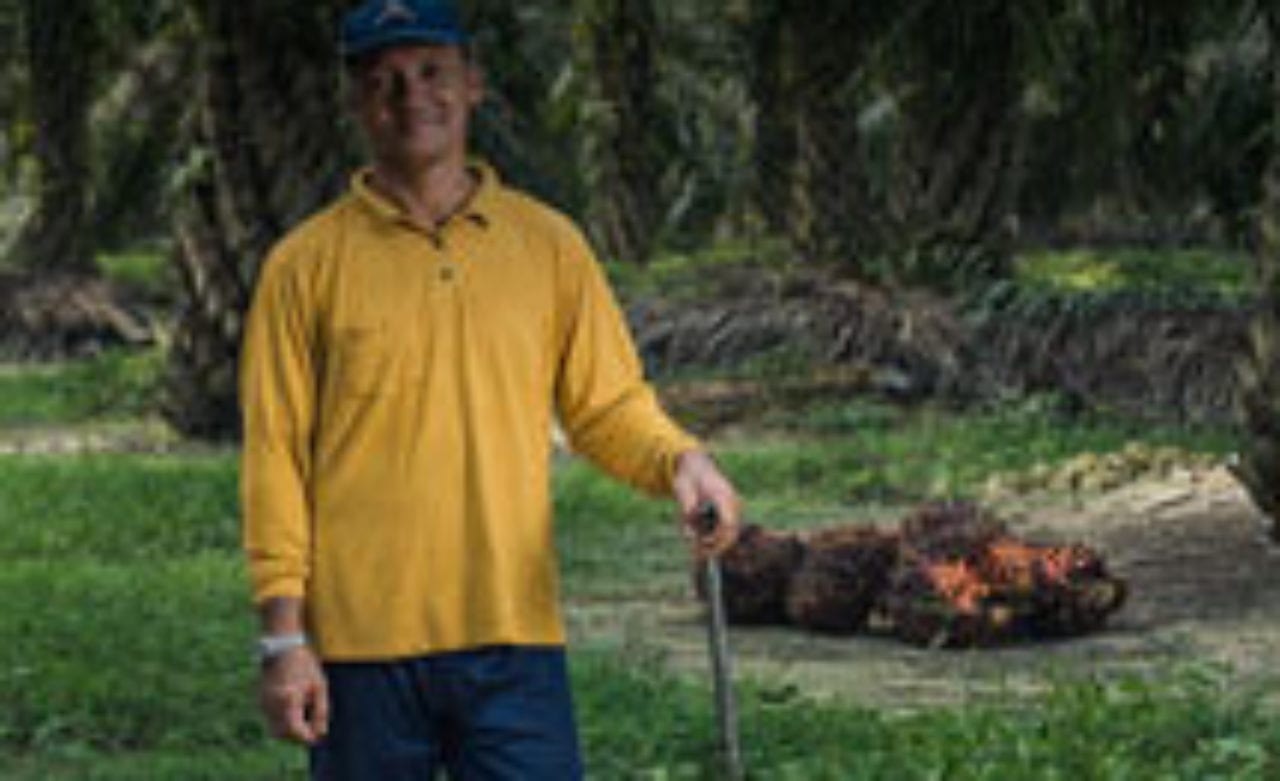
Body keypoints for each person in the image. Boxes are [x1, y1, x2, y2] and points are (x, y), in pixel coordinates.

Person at [238, 0, 742, 778]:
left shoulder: (548, 246)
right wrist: (283, 636)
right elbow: (276, 456)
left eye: (431, 72)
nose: (412, 96)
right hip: (358, 647)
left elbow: (606, 406)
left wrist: (681, 460)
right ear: (356, 101)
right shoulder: (303, 267)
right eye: (385, 80)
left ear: (472, 83)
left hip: (513, 635)